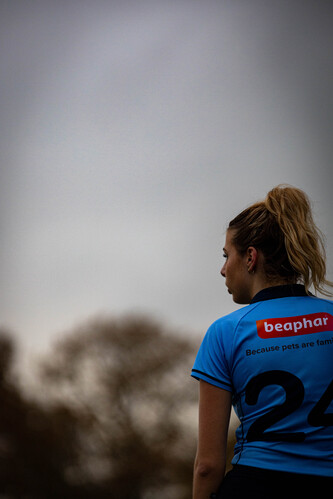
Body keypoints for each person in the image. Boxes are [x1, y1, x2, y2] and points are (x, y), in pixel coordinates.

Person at [191, 185, 333, 499]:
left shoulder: (225, 332)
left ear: (251, 257)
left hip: (255, 485)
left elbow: (207, 466)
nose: (223, 269)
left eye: (227, 256)